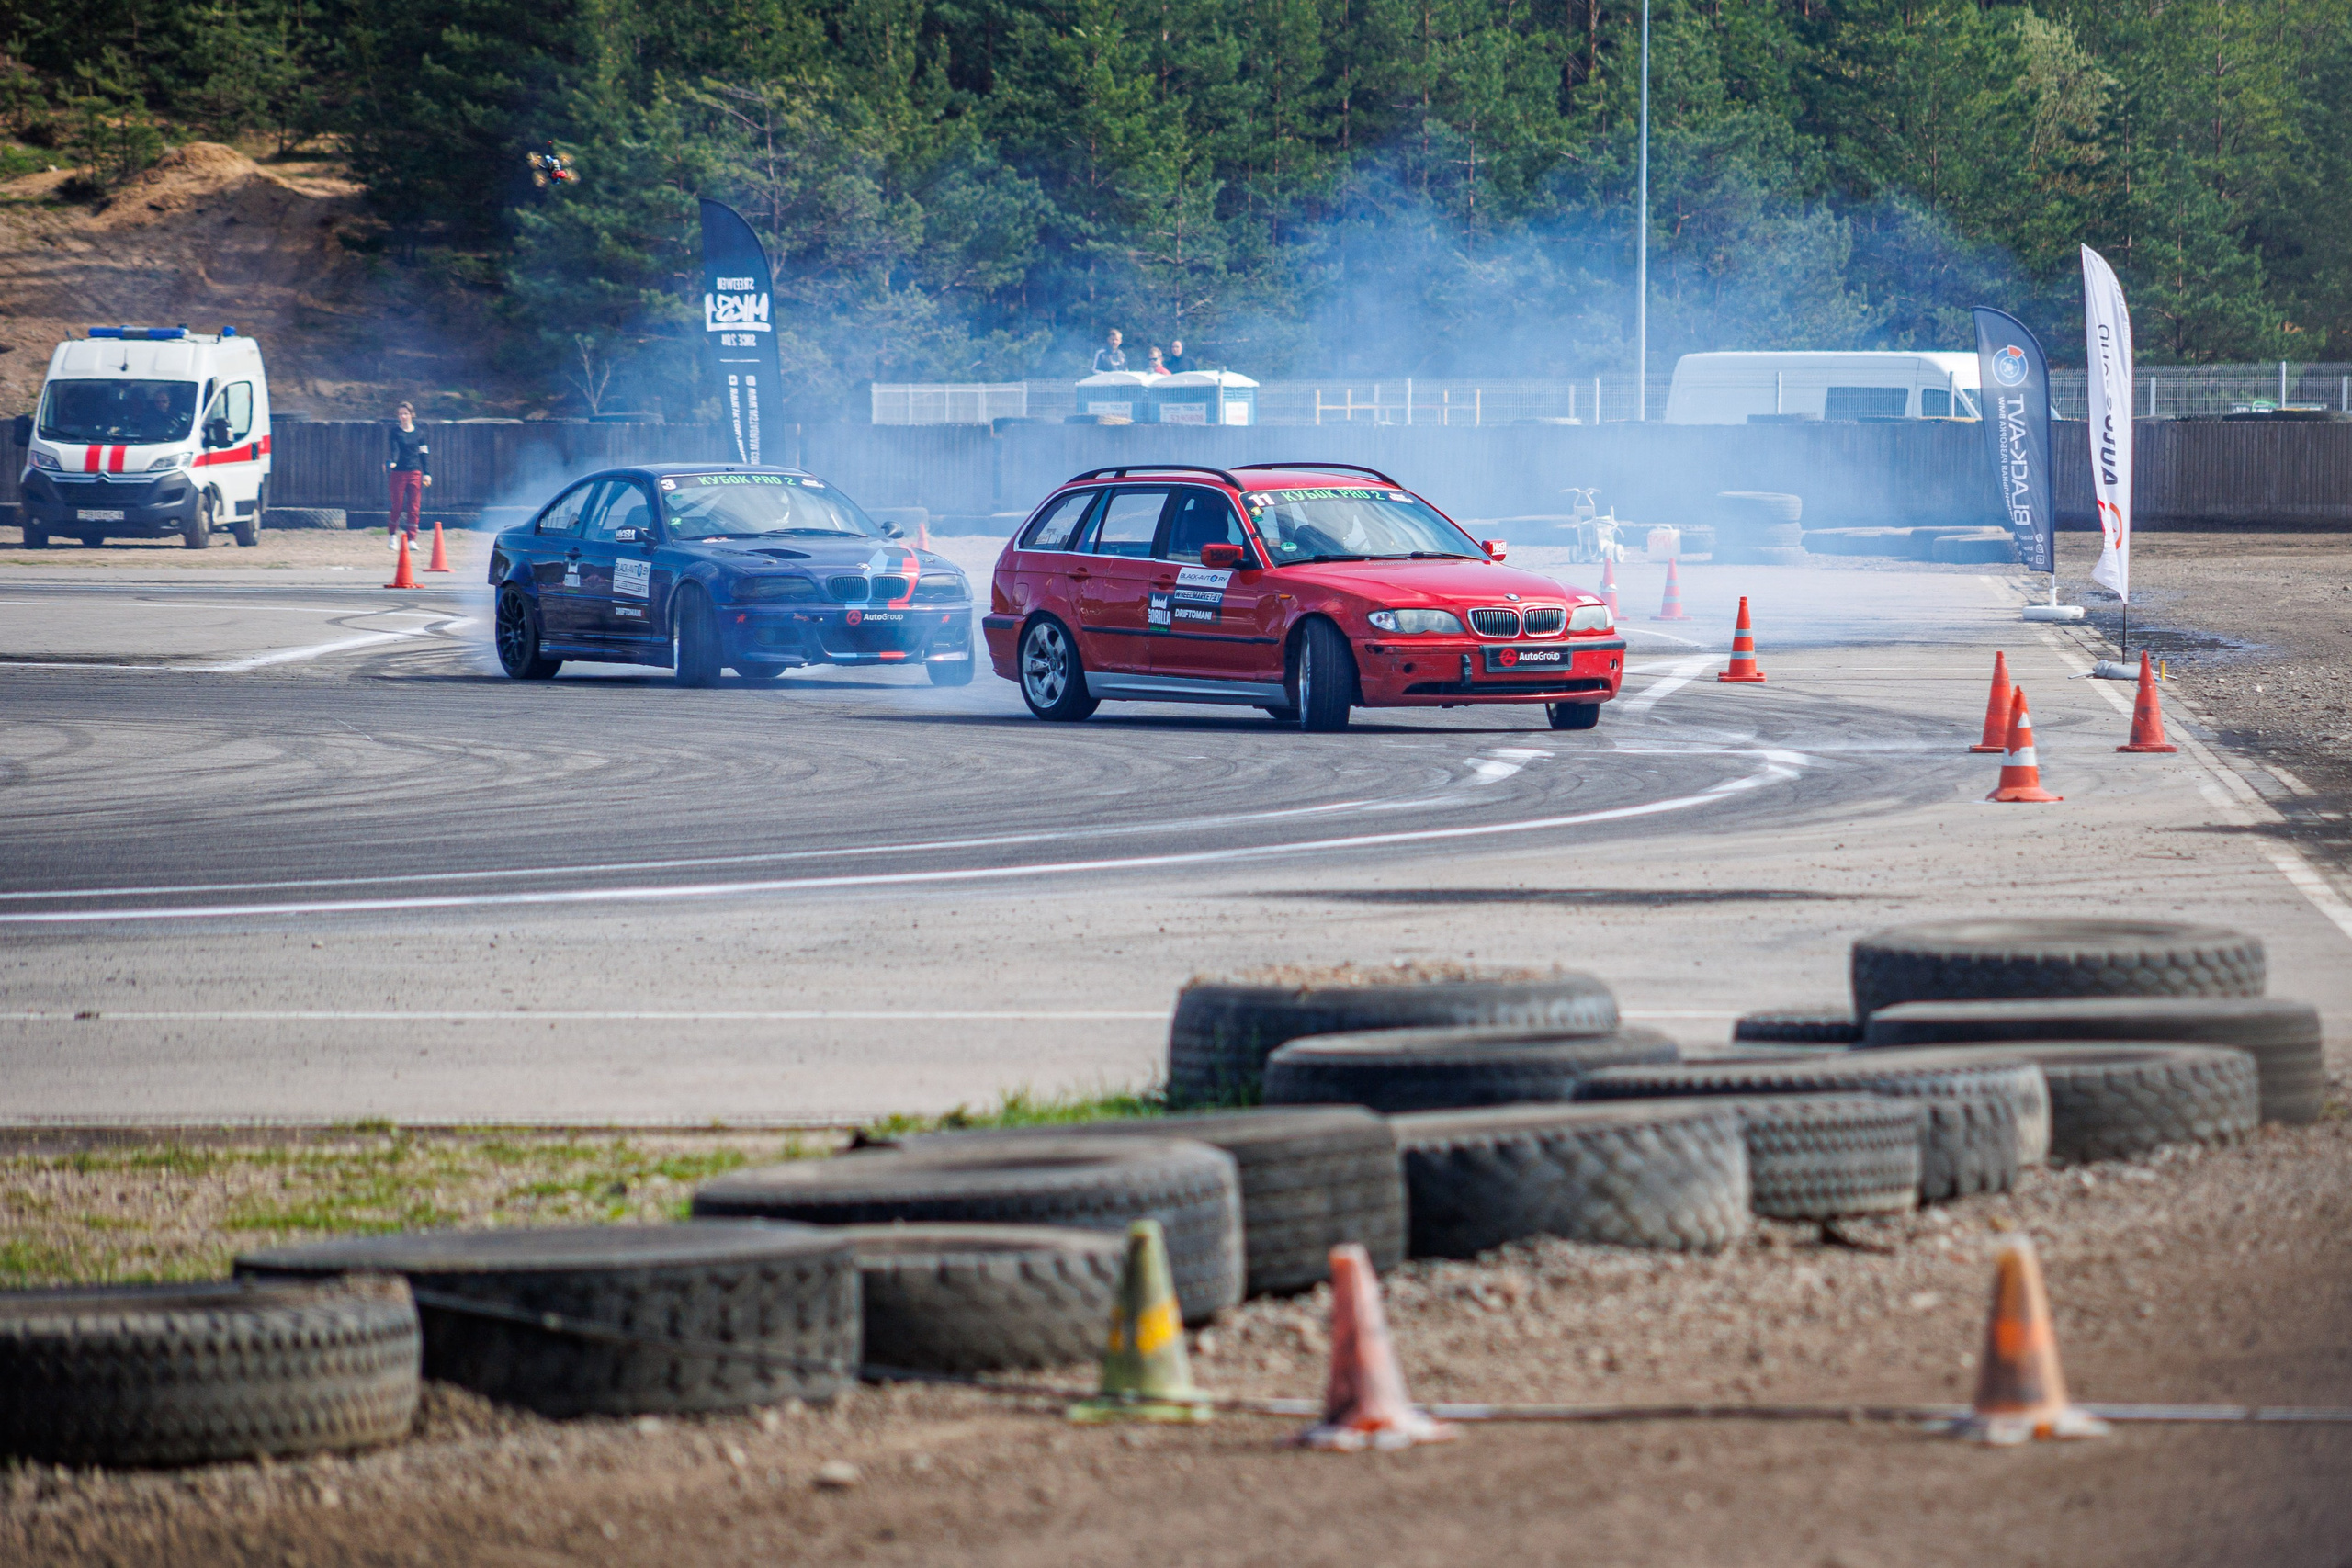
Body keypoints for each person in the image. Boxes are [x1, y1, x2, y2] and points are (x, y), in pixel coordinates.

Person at [387, 400, 431, 537]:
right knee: (397, 506)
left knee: (414, 507)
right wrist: (393, 461)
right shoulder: (395, 432)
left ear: (411, 414)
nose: (403, 416)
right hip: (398, 473)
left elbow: (423, 453)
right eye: (400, 414)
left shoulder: (419, 433)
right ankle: (392, 535)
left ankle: (412, 538)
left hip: (415, 472)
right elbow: (394, 449)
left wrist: (427, 473)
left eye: (405, 414)